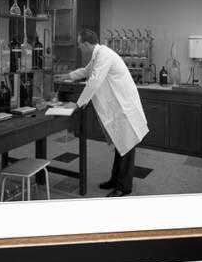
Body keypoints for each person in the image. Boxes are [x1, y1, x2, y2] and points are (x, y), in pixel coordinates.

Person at [54, 29, 148, 197]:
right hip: (120, 108)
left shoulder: (104, 55)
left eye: (80, 45)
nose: (79, 48)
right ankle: (115, 180)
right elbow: (85, 71)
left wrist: (78, 104)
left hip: (125, 109)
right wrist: (67, 76)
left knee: (126, 146)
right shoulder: (98, 56)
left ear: (87, 44)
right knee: (121, 146)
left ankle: (124, 186)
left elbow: (94, 81)